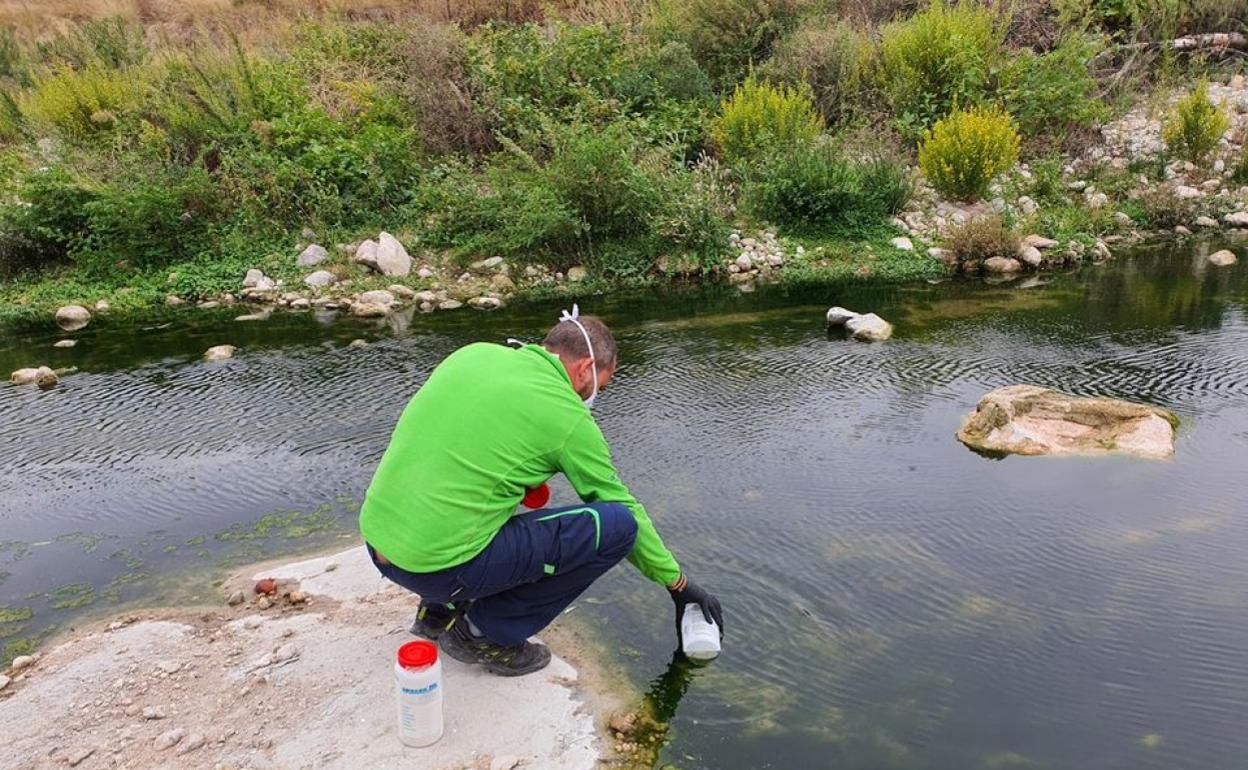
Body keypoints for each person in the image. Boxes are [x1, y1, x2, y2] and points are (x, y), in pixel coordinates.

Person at [360, 306, 723, 676]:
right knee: (617, 526)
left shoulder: (473, 354)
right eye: (601, 384)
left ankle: (437, 613)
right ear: (585, 369)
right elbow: (621, 504)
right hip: (435, 568)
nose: (592, 396)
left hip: (378, 544)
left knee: (471, 490)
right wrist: (678, 584)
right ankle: (483, 634)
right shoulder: (566, 417)